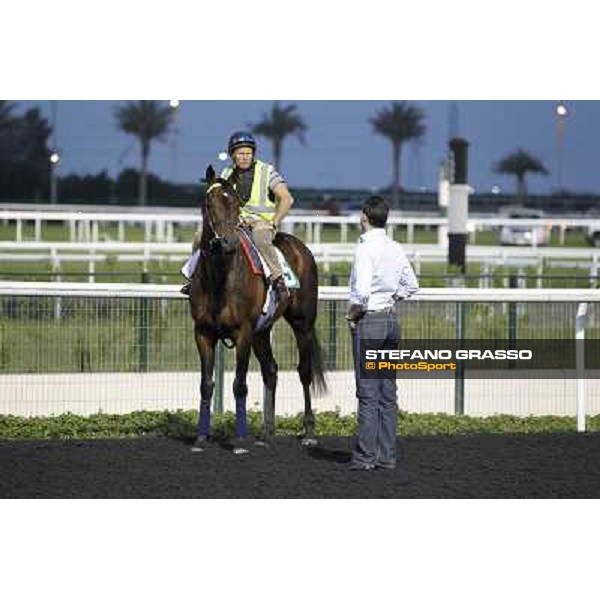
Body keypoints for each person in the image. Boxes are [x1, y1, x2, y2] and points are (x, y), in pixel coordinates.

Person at [346, 195, 419, 472]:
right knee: (388, 393)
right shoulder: (395, 247)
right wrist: (391, 298)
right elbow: (411, 285)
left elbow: (361, 293)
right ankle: (386, 456)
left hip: (369, 323)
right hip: (390, 321)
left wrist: (352, 315)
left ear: (364, 216)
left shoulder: (364, 249)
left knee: (367, 393)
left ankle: (365, 457)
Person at [181, 131, 294, 302]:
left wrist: (274, 222)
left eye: (248, 153)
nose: (245, 157)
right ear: (232, 155)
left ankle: (278, 281)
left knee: (260, 237)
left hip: (261, 225)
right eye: (241, 153)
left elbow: (287, 199)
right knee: (199, 237)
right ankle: (196, 277)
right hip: (236, 224)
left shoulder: (267, 171)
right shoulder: (226, 174)